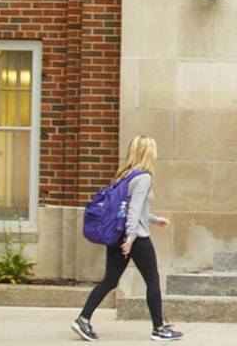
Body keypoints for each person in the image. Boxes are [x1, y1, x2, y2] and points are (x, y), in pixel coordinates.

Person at [72, 136, 182, 342]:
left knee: (110, 280)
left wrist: (155, 219)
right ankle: (159, 328)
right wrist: (131, 238)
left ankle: (83, 319)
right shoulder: (144, 177)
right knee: (152, 280)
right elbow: (133, 212)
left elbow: (132, 210)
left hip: (118, 233)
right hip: (135, 238)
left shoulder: (125, 175)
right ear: (149, 152)